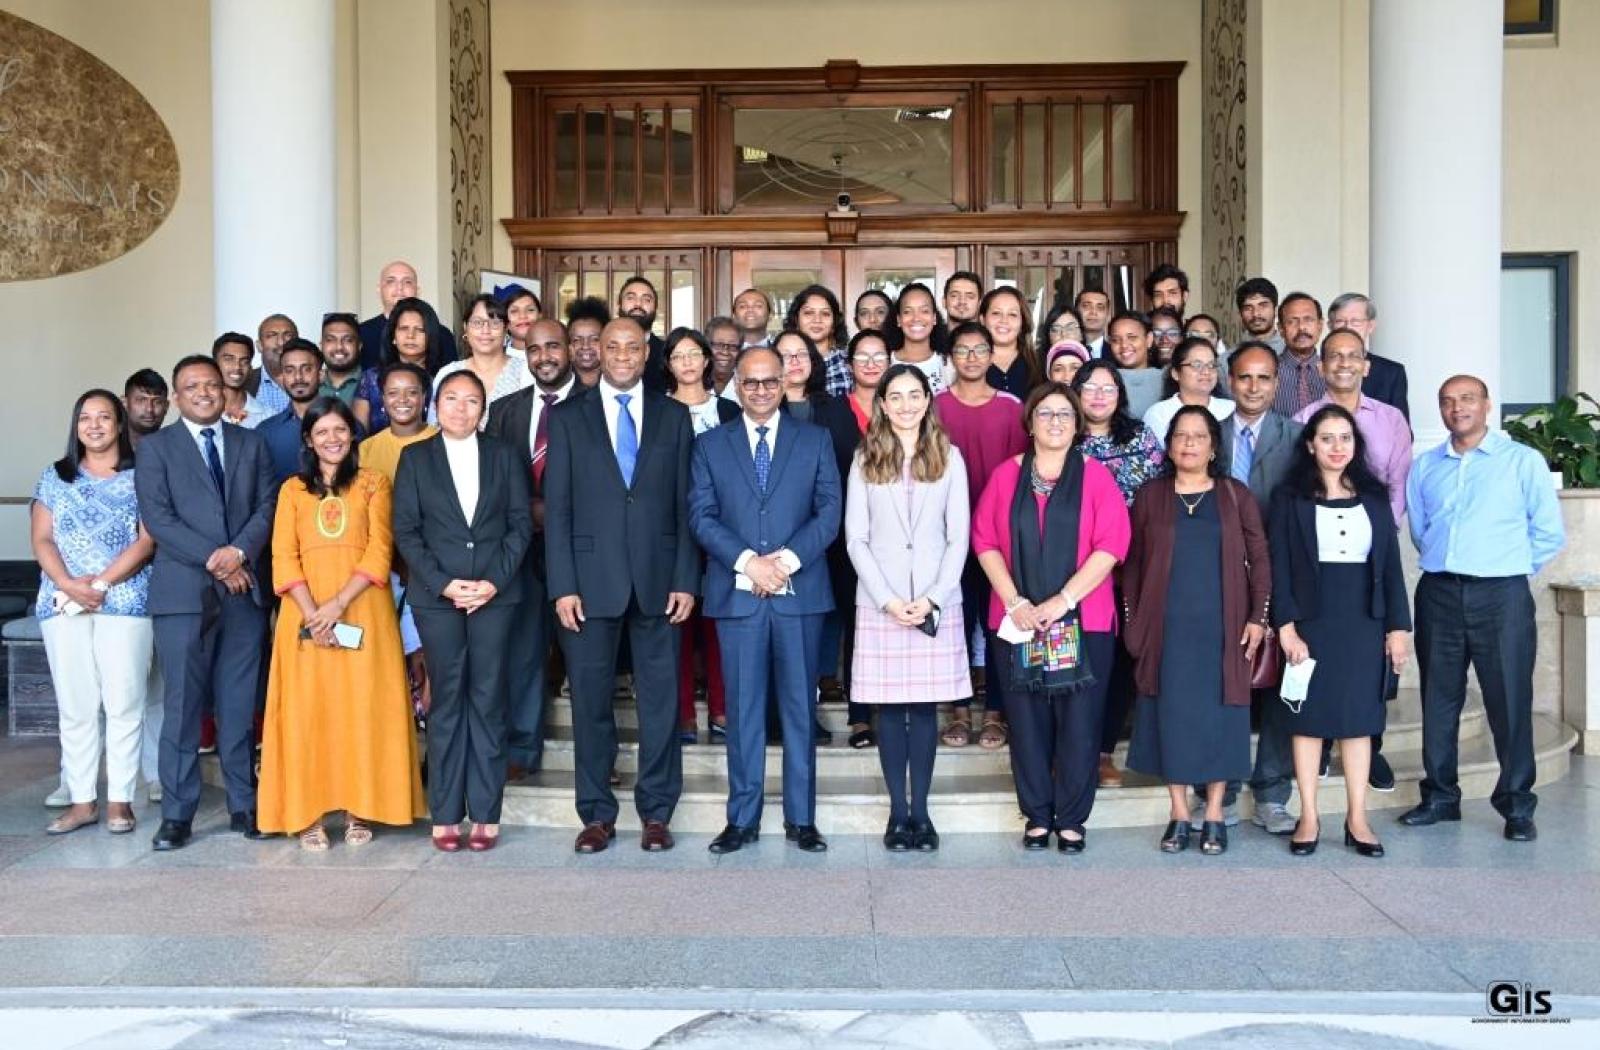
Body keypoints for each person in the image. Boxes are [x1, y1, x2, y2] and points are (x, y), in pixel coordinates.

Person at [545, 317, 699, 854]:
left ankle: (656, 813)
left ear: (647, 352)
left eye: (634, 346)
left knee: (661, 703)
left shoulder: (675, 416)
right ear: (594, 352)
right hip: (588, 583)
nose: (623, 355)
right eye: (612, 346)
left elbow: (685, 505)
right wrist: (562, 585)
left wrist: (686, 577)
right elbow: (558, 509)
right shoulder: (566, 418)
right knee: (590, 704)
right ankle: (596, 815)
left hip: (660, 582)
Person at [690, 346, 842, 855]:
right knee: (743, 711)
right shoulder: (711, 445)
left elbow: (829, 511)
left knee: (800, 710)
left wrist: (785, 563)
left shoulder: (815, 439)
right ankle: (742, 818)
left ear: (784, 383)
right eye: (749, 382)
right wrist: (748, 563)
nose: (759, 390)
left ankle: (802, 819)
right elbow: (701, 516)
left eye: (768, 381)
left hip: (799, 595)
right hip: (738, 599)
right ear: (736, 385)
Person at [1401, 375, 1565, 842]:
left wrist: (1506, 566)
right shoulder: (1425, 466)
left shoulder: (1522, 462)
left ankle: (1516, 805)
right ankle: (1439, 796)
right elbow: (1421, 530)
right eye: (1448, 402)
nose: (1458, 408)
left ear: (1487, 405)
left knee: (1509, 700)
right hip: (1439, 594)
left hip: (1502, 595)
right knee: (1439, 698)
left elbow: (1549, 532)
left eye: (1467, 399)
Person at [257, 398, 426, 848]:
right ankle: (307, 814)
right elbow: (282, 555)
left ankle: (359, 809)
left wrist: (336, 606)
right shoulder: (292, 490)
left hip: (362, 607)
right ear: (308, 441)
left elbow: (379, 550)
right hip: (303, 615)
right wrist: (314, 612)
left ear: (352, 435)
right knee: (308, 714)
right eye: (321, 433)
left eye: (340, 430)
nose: (332, 439)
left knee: (361, 709)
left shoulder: (373, 483)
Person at [973, 383, 1130, 852]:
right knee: (1027, 722)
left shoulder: (1096, 477)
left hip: (1083, 621)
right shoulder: (1006, 477)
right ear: (1030, 421)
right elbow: (984, 541)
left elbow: (1112, 546)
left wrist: (1063, 600)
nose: (1056, 421)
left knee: (1080, 724)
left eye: (1065, 413)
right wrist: (1016, 601)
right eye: (1045, 413)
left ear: (1078, 422)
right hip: (1018, 621)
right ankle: (1037, 814)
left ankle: (1072, 818)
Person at [136, 356, 278, 851]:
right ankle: (177, 815)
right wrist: (219, 559)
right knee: (182, 709)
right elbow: (159, 517)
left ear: (225, 390)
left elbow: (266, 506)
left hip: (243, 596)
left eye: (211, 384)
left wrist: (239, 552)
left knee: (239, 706)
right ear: (177, 397)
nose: (203, 392)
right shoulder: (156, 449)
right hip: (182, 596)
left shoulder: (250, 443)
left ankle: (244, 803)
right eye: (191, 386)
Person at [392, 370, 532, 852]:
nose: (460, 408)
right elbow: (406, 531)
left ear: (483, 409)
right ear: (435, 405)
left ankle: (486, 813)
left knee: (489, 699)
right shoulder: (415, 458)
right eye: (451, 398)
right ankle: (446, 812)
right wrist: (445, 583)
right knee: (447, 701)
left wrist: (492, 582)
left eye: (471, 400)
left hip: (496, 596)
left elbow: (519, 526)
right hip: (438, 599)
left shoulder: (504, 455)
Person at [1123, 406, 1270, 856]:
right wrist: (1133, 622)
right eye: (1181, 436)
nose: (1189, 443)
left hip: (1224, 630)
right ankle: (1179, 814)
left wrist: (1257, 619)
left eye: (1199, 436)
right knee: (1171, 719)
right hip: (1166, 631)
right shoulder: (1151, 496)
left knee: (1222, 720)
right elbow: (1132, 564)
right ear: (1169, 445)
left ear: (1213, 445)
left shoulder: (1234, 495)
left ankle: (1213, 814)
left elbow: (1260, 558)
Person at [1270, 405, 1411, 858]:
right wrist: (1285, 627)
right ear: (1310, 444)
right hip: (1311, 623)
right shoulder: (1290, 498)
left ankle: (1357, 817)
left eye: (1345, 438)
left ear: (1356, 444)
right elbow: (1280, 568)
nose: (1336, 447)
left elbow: (1390, 568)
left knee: (1359, 723)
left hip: (1364, 623)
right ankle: (1308, 815)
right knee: (1308, 721)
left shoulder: (1374, 498)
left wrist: (1397, 628)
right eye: (1326, 438)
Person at [846, 364, 971, 852]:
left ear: (927, 399)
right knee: (889, 710)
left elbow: (958, 536)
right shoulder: (864, 458)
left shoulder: (950, 457)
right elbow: (855, 538)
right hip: (883, 603)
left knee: (922, 711)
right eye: (894, 396)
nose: (904, 405)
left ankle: (923, 812)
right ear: (881, 404)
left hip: (934, 602)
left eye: (913, 395)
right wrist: (889, 600)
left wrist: (934, 597)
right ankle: (898, 814)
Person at [32, 390, 154, 836]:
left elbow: (146, 540)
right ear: (76, 425)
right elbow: (42, 538)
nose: (95, 425)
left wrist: (101, 584)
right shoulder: (55, 477)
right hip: (63, 603)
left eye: (104, 417)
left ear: (120, 423)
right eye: (86, 417)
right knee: (76, 705)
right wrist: (68, 584)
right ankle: (82, 801)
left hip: (125, 601)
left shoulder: (143, 473)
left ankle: (121, 800)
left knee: (124, 703)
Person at [484, 317, 583, 779]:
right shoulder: (504, 411)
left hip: (582, 554)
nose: (544, 356)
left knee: (586, 661)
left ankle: (594, 758)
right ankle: (521, 751)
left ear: (570, 349)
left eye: (553, 347)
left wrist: (558, 513)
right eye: (534, 349)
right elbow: (494, 484)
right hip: (519, 554)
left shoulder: (593, 405)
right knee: (523, 654)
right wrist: (527, 515)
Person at [1218, 342, 1303, 834]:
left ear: (1276, 383)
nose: (1253, 387)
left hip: (1280, 571)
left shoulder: (1296, 437)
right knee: (1225, 682)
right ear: (1230, 380)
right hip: (1218, 575)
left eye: (1264, 378)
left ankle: (1272, 793)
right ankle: (1223, 787)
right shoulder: (1209, 436)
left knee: (1276, 681)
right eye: (1245, 377)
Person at [1070, 361, 1165, 788]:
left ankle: (1104, 751)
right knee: (1077, 663)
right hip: (1074, 573)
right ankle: (1071, 752)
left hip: (1133, 572)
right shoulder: (1061, 439)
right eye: (1089, 387)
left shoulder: (1141, 438)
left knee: (1121, 664)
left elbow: (1160, 496)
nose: (1098, 395)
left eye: (1108, 388)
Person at [935, 321, 1028, 750]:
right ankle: (958, 710)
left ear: (993, 355)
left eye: (980, 349)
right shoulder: (934, 407)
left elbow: (1020, 474)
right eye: (963, 350)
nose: (971, 357)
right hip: (945, 537)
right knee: (955, 620)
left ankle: (995, 712)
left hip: (998, 537)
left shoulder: (1012, 407)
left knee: (996, 625)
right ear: (950, 357)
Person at [662, 326, 738, 743]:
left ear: (708, 360)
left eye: (695, 354)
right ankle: (683, 712)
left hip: (722, 529)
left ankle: (722, 709)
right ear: (669, 365)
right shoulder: (656, 410)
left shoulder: (729, 410)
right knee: (677, 623)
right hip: (671, 531)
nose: (688, 363)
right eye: (679, 356)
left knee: (718, 621)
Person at [818, 331, 892, 745]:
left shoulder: (901, 406)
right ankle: (859, 715)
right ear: (848, 365)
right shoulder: (829, 411)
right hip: (841, 533)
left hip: (895, 536)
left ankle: (892, 704)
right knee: (855, 618)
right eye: (861, 356)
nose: (869, 364)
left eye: (878, 355)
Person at [1293, 329, 1411, 527]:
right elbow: (1299, 481)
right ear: (1321, 368)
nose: (1345, 363)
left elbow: (1399, 483)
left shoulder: (1392, 419)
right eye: (1335, 356)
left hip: (1380, 525)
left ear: (1366, 367)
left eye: (1353, 356)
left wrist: (1385, 528)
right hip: (1320, 528)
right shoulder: (1302, 420)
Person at [431, 294, 531, 427]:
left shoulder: (525, 371)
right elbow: (434, 424)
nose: (485, 330)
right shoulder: (449, 372)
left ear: (506, 328)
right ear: (465, 327)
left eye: (495, 323)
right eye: (477, 323)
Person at [354, 297, 450, 433]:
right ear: (393, 336)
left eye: (420, 330)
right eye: (404, 329)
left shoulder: (441, 379)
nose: (411, 335)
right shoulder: (371, 379)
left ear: (431, 336)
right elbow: (359, 435)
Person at [358, 260, 458, 371]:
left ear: (417, 291)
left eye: (407, 282)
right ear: (379, 289)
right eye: (391, 281)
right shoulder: (361, 333)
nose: (399, 287)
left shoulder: (442, 334)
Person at [257, 341, 333, 481]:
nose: (298, 377)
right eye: (290, 370)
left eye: (306, 369)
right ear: (282, 377)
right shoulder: (265, 432)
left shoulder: (345, 425)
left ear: (321, 375)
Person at [1328, 292, 1410, 421]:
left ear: (1370, 326)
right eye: (1340, 321)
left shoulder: (1392, 373)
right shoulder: (1322, 368)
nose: (1348, 327)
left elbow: (1402, 430)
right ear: (1330, 326)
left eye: (1355, 322)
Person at [1143, 336, 1235, 438]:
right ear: (1175, 373)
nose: (1206, 371)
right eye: (1197, 365)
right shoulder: (1158, 414)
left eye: (1211, 365)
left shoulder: (1231, 409)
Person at [785, 285, 852, 397]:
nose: (817, 320)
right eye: (809, 313)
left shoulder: (848, 361)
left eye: (825, 314)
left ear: (834, 321)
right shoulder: (783, 360)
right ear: (796, 319)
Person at [886, 283, 952, 395]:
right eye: (908, 311)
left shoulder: (948, 364)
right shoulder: (885, 362)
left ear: (934, 318)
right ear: (898, 320)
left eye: (924, 311)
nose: (916, 318)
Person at [1273, 292, 1327, 418]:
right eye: (1292, 321)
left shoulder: (1333, 372)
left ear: (1320, 326)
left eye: (1308, 320)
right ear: (1281, 329)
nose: (1302, 327)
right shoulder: (1268, 372)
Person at [978, 286, 1038, 397]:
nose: (1004, 320)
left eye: (1012, 314)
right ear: (982, 320)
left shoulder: (1039, 364)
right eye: (996, 313)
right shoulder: (970, 362)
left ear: (1022, 322)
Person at [1105, 312, 1164, 418]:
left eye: (1132, 338)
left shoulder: (1166, 379)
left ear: (1149, 339)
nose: (1124, 345)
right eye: (1116, 340)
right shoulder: (1105, 379)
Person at [616, 275, 668, 389]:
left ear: (655, 308)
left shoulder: (667, 353)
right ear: (619, 305)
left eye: (646, 300)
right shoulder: (604, 349)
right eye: (630, 298)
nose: (638, 304)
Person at [212, 333, 271, 428]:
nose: (237, 367)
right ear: (214, 364)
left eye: (244, 361)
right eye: (229, 359)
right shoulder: (203, 411)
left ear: (250, 367)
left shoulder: (267, 415)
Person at [249, 314, 297, 415]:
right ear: (259, 346)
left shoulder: (315, 382)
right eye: (271, 335)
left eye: (288, 335)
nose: (281, 342)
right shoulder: (245, 383)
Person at [318, 313, 364, 407]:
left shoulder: (372, 383)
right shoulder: (312, 384)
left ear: (359, 346)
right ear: (321, 345)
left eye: (347, 340)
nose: (339, 347)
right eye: (330, 340)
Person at [565, 296, 610, 388]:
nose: (585, 346)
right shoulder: (559, 383)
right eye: (577, 340)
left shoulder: (617, 381)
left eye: (594, 339)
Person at [1235, 276, 1283, 353]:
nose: (1256, 314)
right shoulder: (1226, 360)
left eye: (1263, 305)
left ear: (1276, 310)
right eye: (1248, 308)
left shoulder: (1292, 354)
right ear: (1240, 314)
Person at [124, 369, 169, 446]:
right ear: (124, 403)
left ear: (166, 406)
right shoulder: (108, 447)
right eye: (141, 400)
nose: (149, 409)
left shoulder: (178, 448)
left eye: (157, 401)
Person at [704, 316, 742, 400]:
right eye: (718, 345)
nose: (725, 352)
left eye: (732, 346)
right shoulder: (693, 384)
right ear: (706, 347)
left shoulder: (747, 386)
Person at [502, 284, 543, 355]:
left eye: (530, 310)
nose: (523, 316)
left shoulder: (554, 355)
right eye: (514, 311)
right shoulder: (495, 359)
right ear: (505, 322)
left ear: (540, 316)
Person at [1075, 288, 1112, 358]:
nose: (1093, 312)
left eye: (1100, 308)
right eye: (1086, 306)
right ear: (1075, 312)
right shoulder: (1066, 350)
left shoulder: (1116, 355)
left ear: (1108, 316)